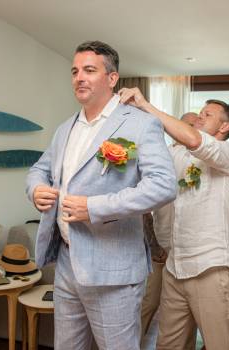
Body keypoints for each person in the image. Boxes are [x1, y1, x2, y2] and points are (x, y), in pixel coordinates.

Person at [26, 41, 176, 350]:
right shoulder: (65, 128)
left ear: (112, 78)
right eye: (75, 71)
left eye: (89, 70)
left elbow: (163, 185)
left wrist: (95, 207)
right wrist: (36, 189)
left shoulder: (141, 124)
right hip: (67, 262)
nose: (79, 77)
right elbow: (39, 170)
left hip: (114, 269)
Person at [119, 87, 229, 350]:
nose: (199, 117)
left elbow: (195, 140)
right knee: (168, 344)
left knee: (218, 345)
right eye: (199, 113)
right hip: (174, 267)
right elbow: (143, 165)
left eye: (206, 114)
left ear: (224, 126)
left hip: (210, 266)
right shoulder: (177, 155)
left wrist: (145, 105)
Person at [139, 112, 199, 349]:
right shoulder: (159, 156)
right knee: (149, 302)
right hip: (160, 248)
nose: (194, 130)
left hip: (189, 249)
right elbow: (143, 207)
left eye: (198, 126)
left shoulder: (202, 158)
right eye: (189, 125)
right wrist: (154, 245)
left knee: (189, 310)